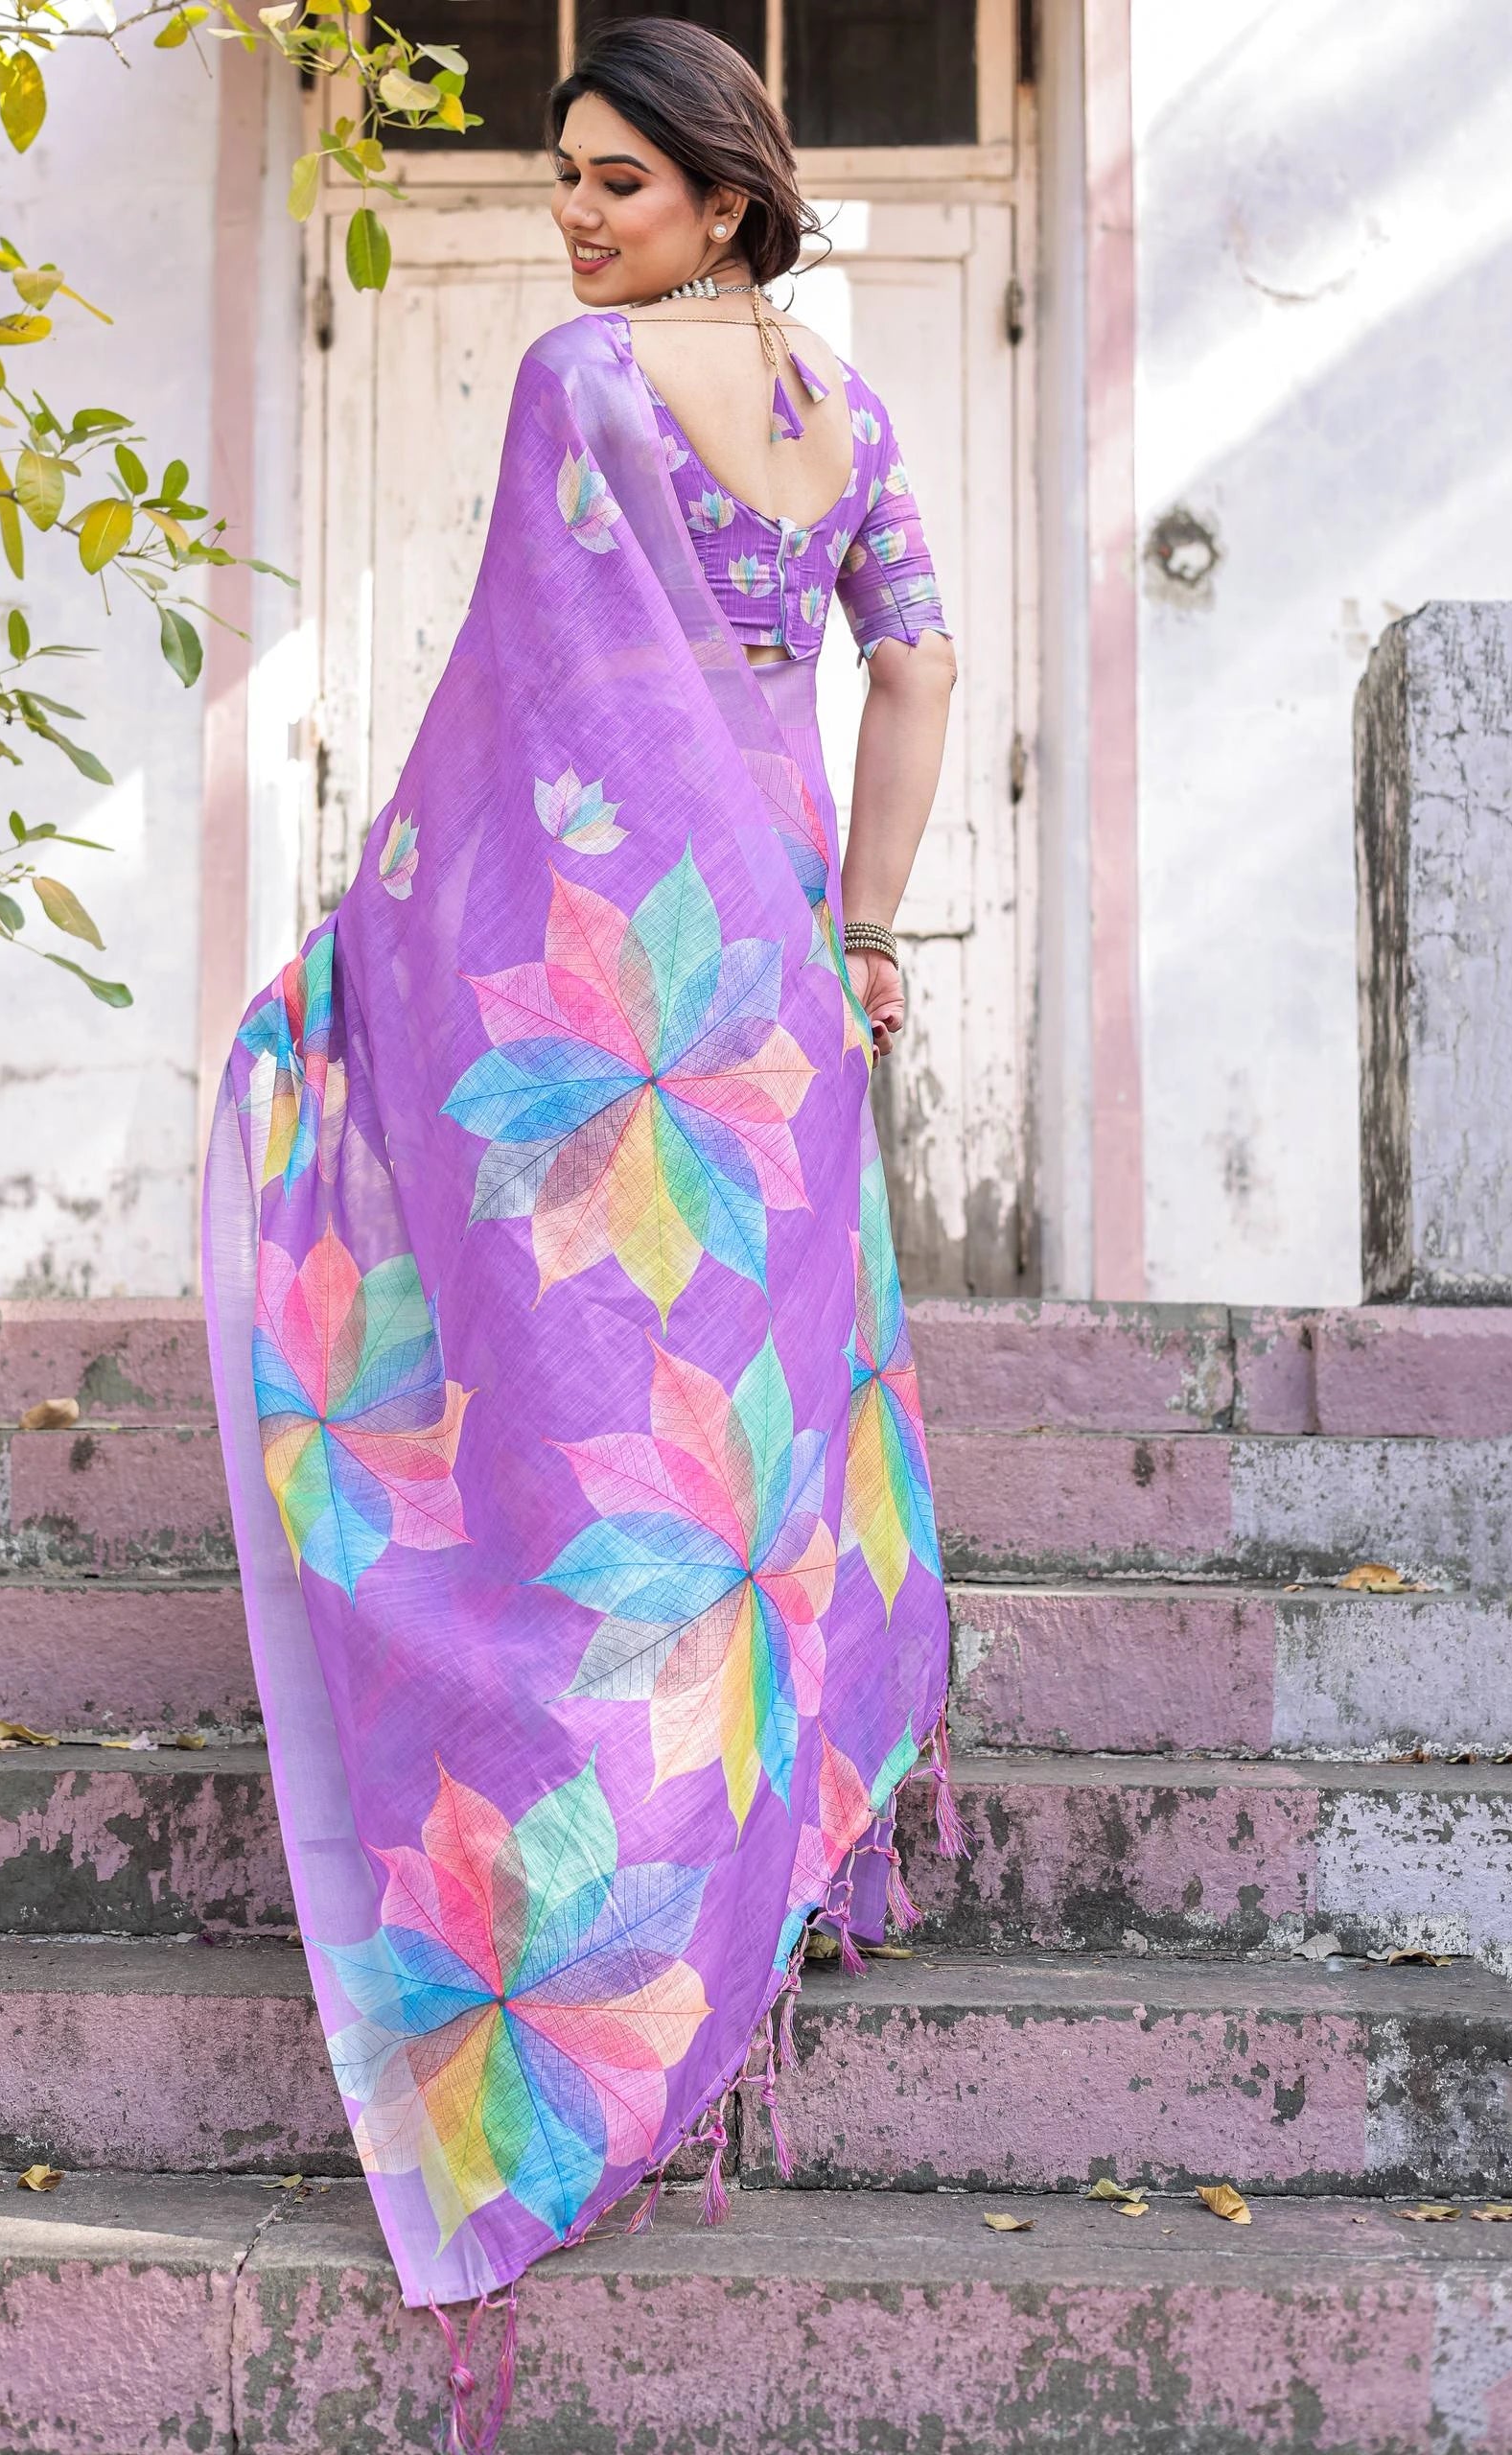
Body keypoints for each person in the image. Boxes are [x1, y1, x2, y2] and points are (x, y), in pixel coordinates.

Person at [202, 17, 960, 2437]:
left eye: (618, 181)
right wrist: (865, 927)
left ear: (726, 196)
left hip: (626, 967)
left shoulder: (587, 384)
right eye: (566, 179)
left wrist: (378, 931)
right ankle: (735, 1875)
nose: (573, 216)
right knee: (726, 1439)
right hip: (778, 976)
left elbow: (520, 705)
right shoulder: (850, 415)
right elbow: (915, 660)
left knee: (580, 1441)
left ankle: (590, 1958)